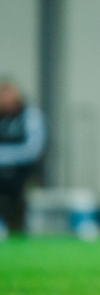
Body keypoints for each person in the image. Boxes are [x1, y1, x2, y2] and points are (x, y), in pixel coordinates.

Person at [0, 80, 47, 238]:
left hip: (23, 170)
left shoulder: (30, 115)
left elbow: (33, 148)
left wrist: (5, 156)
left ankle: (21, 227)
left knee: (20, 198)